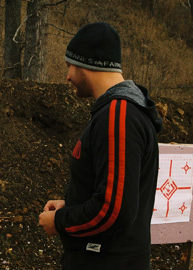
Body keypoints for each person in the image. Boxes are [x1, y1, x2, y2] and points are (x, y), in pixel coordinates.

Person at [38, 22, 163, 270]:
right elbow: (116, 192)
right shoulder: (120, 112)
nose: (67, 76)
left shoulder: (119, 114)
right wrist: (73, 204)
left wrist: (61, 221)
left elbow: (114, 209)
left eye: (69, 66)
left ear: (88, 64)